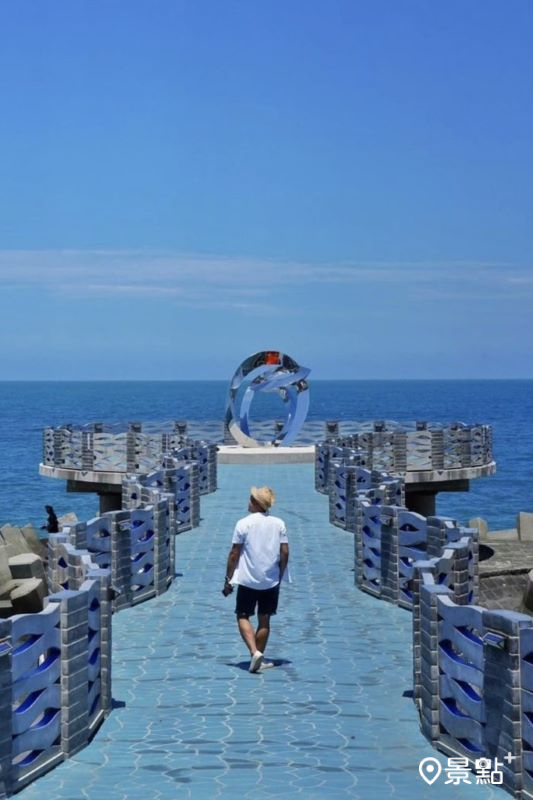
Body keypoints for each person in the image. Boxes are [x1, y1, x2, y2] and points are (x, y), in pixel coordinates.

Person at [222, 486, 289, 673]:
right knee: (265, 619)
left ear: (255, 503)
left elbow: (234, 553)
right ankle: (258, 656)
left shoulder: (243, 524)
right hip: (271, 579)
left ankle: (254, 653)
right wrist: (280, 574)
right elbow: (284, 552)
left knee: (243, 615)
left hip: (248, 579)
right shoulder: (279, 523)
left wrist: (228, 579)